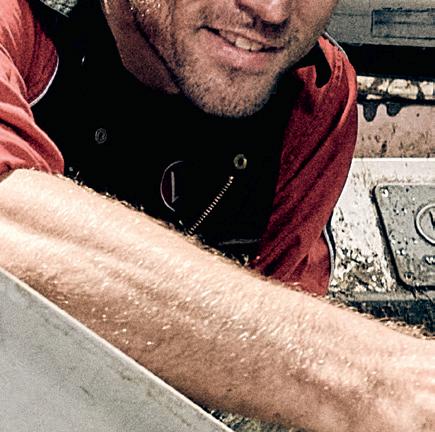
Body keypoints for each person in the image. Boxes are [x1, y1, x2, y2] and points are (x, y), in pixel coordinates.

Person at [0, 1, 433, 431]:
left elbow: (266, 340)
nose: (273, 12)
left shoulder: (314, 93)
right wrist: (377, 385)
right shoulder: (20, 21)